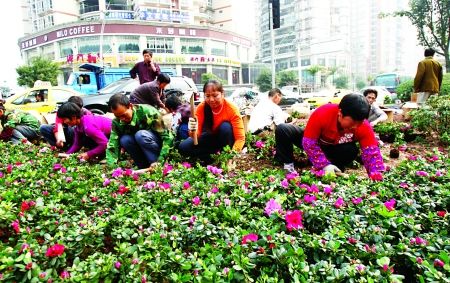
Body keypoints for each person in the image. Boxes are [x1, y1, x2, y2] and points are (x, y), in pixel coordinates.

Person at [275, 94, 385, 179]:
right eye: (352, 123)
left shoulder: (363, 126)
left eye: (359, 123)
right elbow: (309, 142)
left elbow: (371, 153)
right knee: (283, 129)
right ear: (340, 113)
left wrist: (376, 176)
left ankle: (335, 167)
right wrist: (323, 165)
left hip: (334, 148)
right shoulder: (323, 113)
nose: (355, 127)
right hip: (317, 141)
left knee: (351, 150)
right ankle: (288, 165)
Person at [178, 80, 245, 162]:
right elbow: (196, 136)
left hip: (226, 140)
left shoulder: (231, 109)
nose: (211, 100)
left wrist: (232, 155)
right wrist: (192, 130)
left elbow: (240, 138)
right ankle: (211, 157)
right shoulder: (201, 108)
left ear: (222, 94)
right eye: (208, 96)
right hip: (210, 138)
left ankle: (223, 156)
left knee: (225, 127)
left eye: (215, 95)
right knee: (183, 147)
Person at [106, 93, 173, 169]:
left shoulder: (148, 112)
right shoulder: (117, 122)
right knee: (125, 140)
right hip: (141, 146)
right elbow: (112, 145)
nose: (122, 119)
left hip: (156, 145)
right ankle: (143, 167)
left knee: (140, 135)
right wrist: (112, 168)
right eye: (118, 116)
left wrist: (160, 160)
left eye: (124, 115)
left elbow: (168, 138)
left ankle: (157, 166)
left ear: (130, 106)